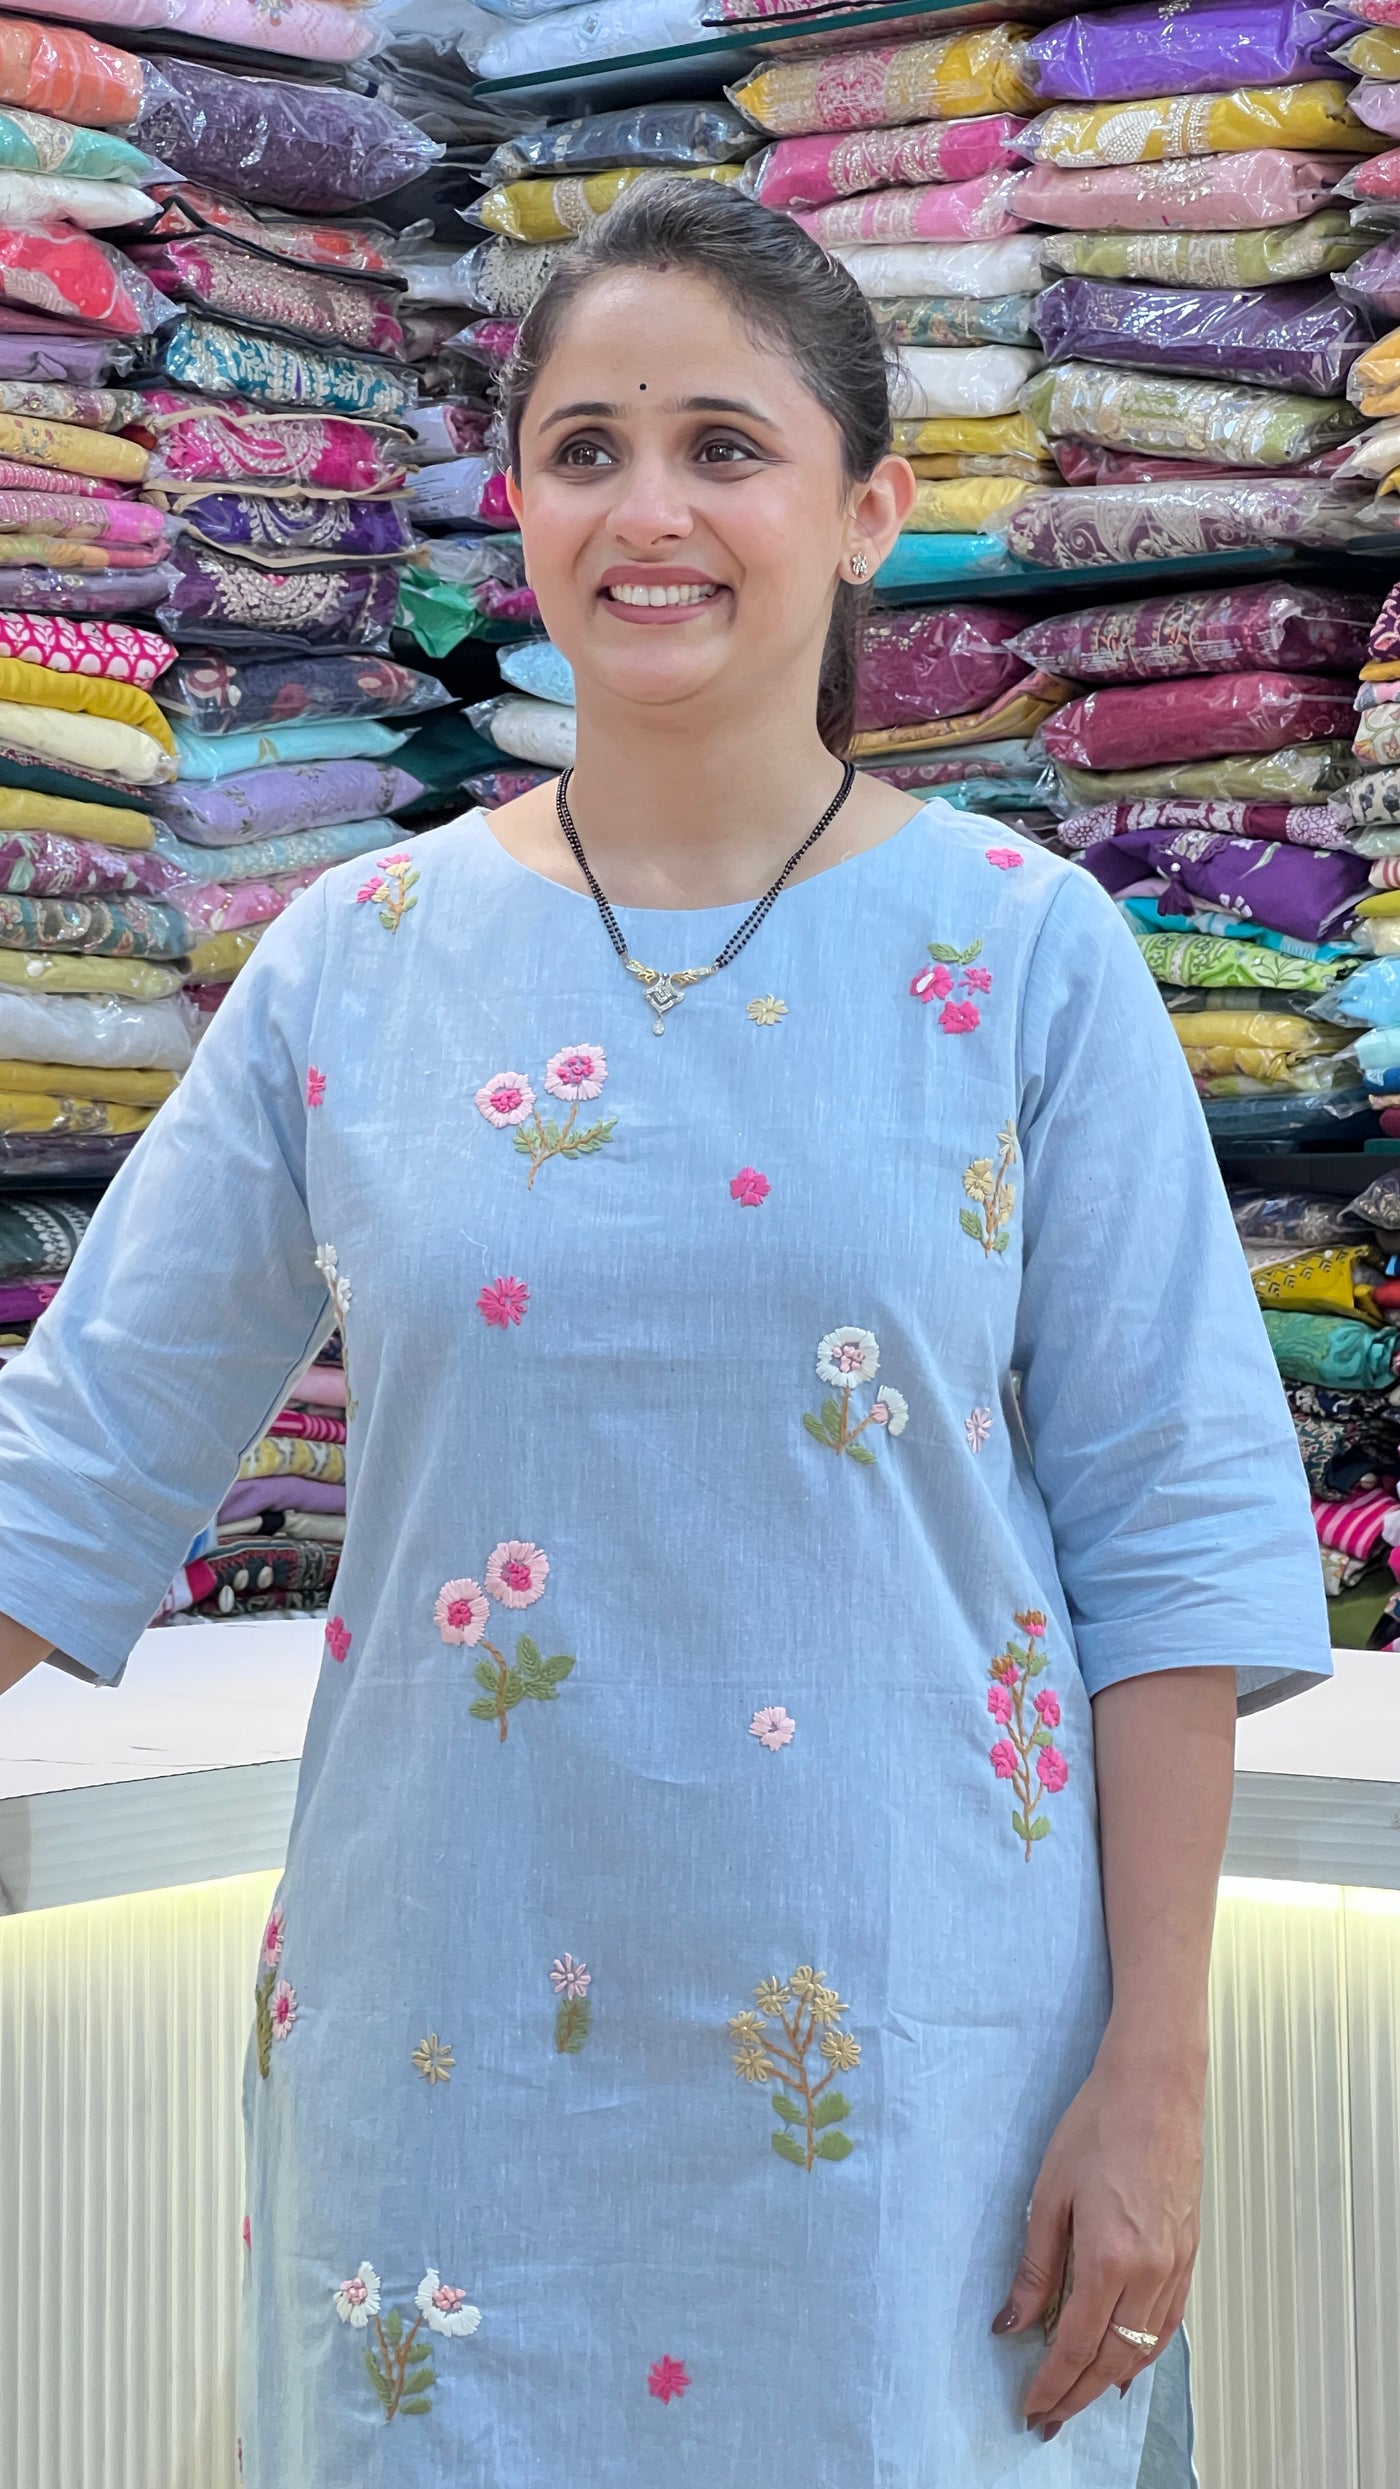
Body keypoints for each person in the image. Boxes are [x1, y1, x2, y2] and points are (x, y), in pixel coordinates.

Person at [0, 182, 1328, 2486]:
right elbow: (81, 1451)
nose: (649, 512)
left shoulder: (1025, 955)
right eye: (585, 449)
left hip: (920, 2057)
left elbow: (1174, 1535)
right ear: (517, 503)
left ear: (867, 509)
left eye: (724, 446)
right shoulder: (352, 965)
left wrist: (1157, 2078)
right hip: (448, 2074)